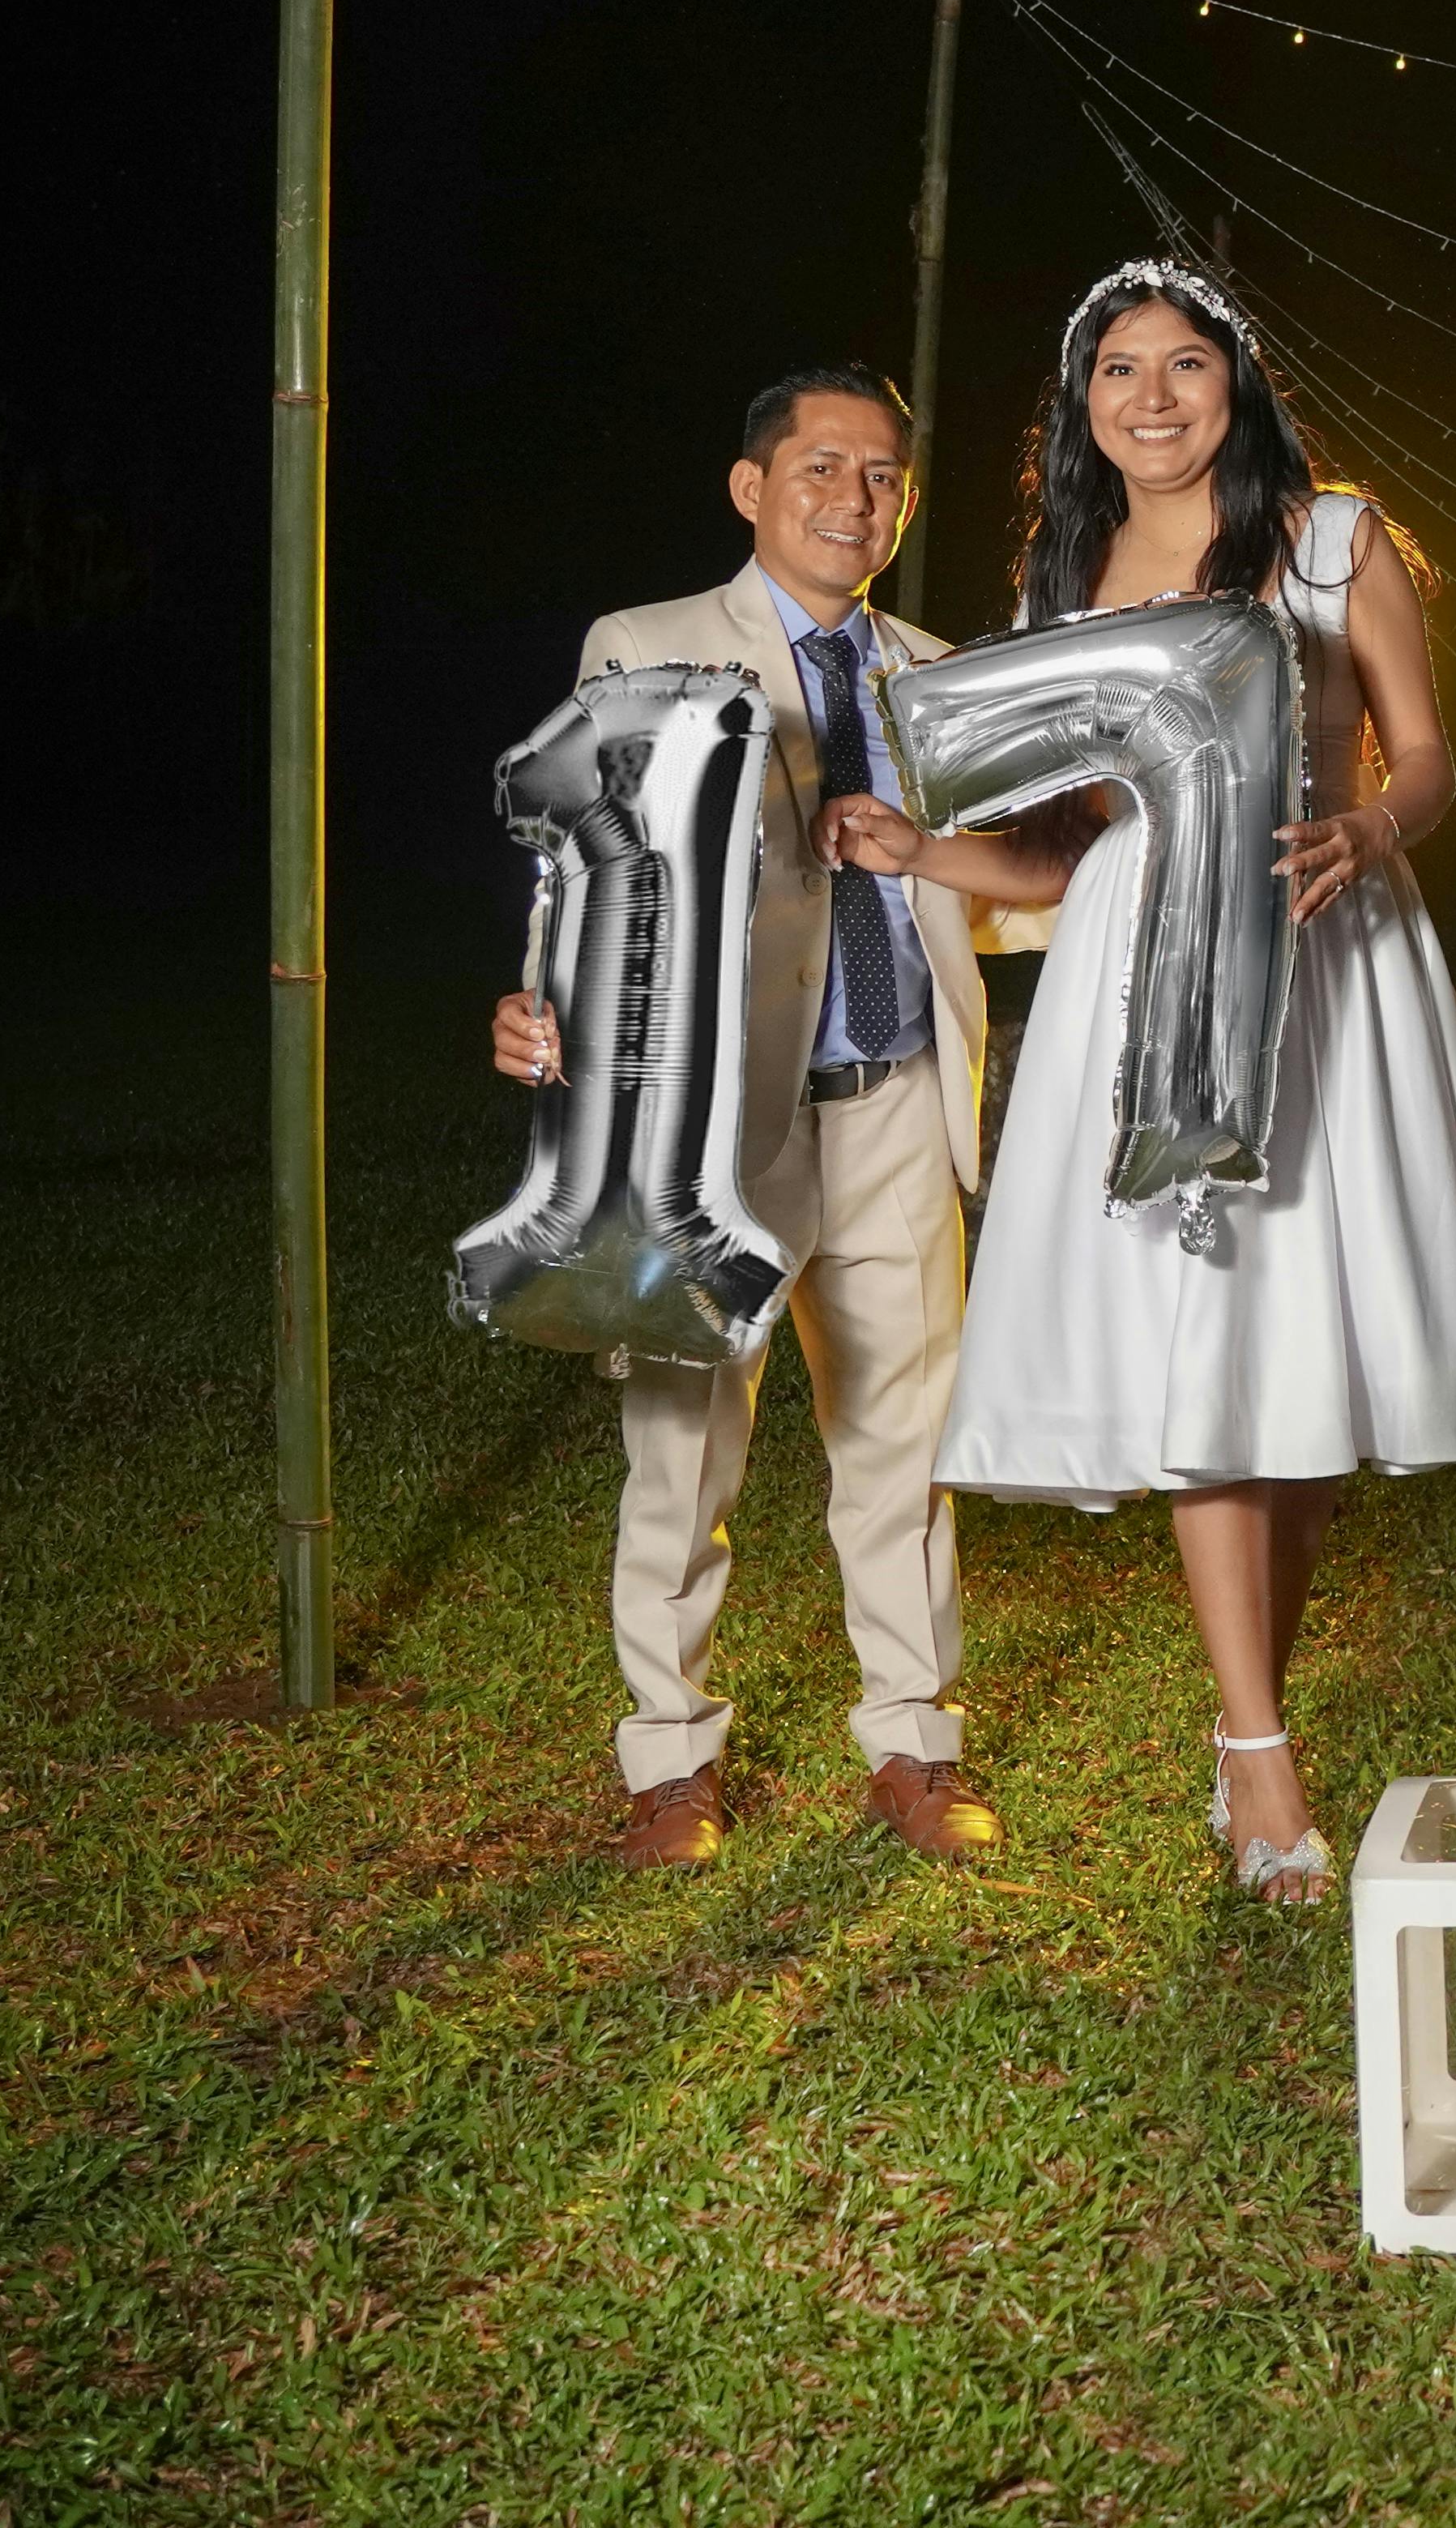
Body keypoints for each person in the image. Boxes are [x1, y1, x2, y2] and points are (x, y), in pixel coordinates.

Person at [833, 259, 1456, 1902]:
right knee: (1202, 1352)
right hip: (1141, 972)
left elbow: (1432, 750)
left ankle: (1243, 1727)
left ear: (1236, 385)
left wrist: (1373, 823)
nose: (1156, 395)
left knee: (1299, 1392)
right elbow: (1050, 861)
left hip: (1327, 953)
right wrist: (918, 847)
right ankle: (1258, 1757)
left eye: (1187, 364)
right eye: (1121, 368)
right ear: (1082, 403)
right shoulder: (1064, 584)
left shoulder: (1332, 539)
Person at [492, 365, 1001, 1872]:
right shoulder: (645, 645)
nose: (855, 500)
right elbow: (580, 857)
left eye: (883, 477)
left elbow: (994, 885)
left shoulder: (938, 670)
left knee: (904, 1446)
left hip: (900, 1090)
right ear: (750, 486)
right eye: (823, 468)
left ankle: (913, 1741)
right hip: (708, 1120)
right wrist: (539, 998)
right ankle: (670, 1758)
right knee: (682, 1437)